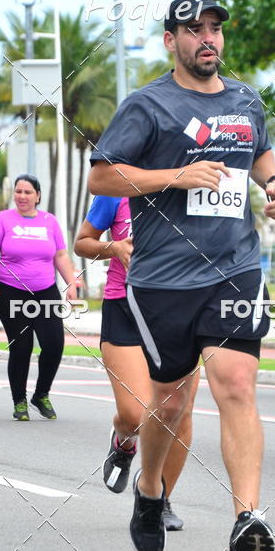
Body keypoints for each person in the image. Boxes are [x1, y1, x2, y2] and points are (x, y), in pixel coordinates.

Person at [88, 0, 275, 551]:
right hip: (163, 278)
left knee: (236, 383)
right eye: (193, 30)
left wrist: (274, 186)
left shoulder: (244, 99)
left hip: (235, 267)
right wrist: (175, 175)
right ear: (170, 41)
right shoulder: (147, 104)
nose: (208, 39)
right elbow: (104, 177)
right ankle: (149, 492)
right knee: (172, 399)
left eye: (215, 29)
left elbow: (261, 155)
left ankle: (246, 520)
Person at [74, 195, 199, 531]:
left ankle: (158, 500)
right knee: (135, 414)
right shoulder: (114, 190)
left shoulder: (191, 191)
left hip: (179, 308)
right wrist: (114, 248)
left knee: (180, 411)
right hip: (124, 306)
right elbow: (82, 243)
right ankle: (123, 441)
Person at [0, 175, 79, 421]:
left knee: (54, 344)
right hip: (10, 289)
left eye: (27, 192)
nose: (22, 196)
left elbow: (60, 256)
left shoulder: (50, 221)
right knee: (22, 345)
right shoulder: (2, 219)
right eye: (18, 191)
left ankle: (41, 394)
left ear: (38, 195)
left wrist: (71, 283)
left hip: (45, 290)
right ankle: (20, 401)